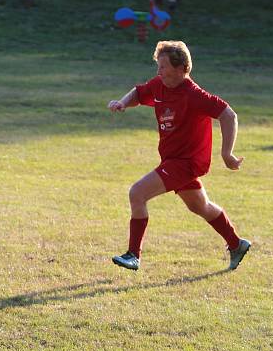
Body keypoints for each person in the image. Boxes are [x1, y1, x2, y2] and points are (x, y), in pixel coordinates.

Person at [107, 40, 251, 271]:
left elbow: (228, 115)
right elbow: (140, 92)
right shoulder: (159, 85)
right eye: (158, 66)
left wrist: (227, 154)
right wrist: (123, 103)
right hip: (172, 160)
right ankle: (236, 244)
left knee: (137, 193)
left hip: (187, 162)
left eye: (163, 67)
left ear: (181, 68)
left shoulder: (194, 95)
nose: (159, 72)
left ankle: (133, 254)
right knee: (200, 206)